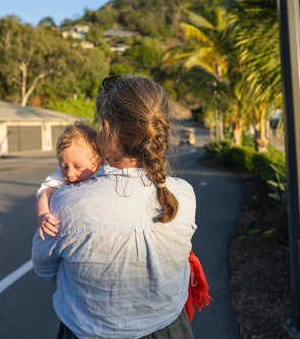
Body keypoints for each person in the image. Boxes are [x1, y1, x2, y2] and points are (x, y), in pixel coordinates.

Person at [32, 75, 197, 339]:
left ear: (106, 128)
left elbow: (44, 267)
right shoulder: (183, 195)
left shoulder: (67, 203)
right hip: (170, 330)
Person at [35, 122, 102, 240]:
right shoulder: (59, 178)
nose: (70, 174)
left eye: (78, 167)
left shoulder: (104, 175)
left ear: (99, 162)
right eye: (64, 167)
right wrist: (43, 214)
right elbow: (45, 192)